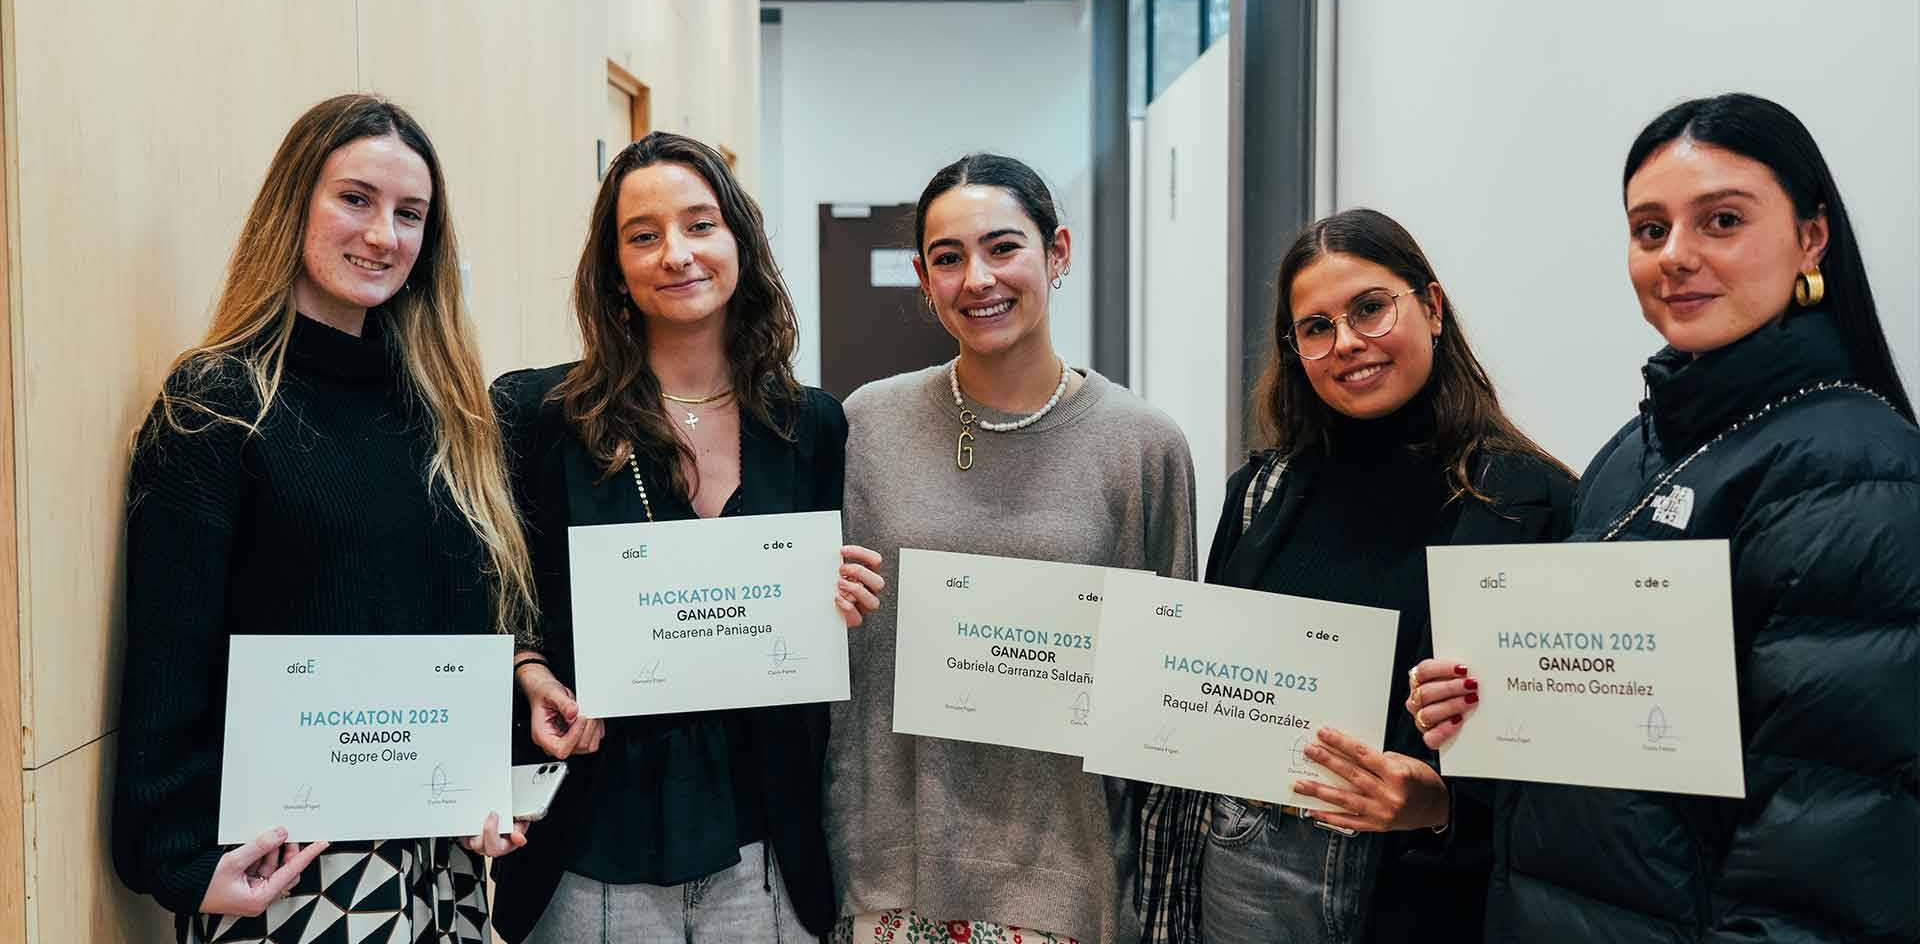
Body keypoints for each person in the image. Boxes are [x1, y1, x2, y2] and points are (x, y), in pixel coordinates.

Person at [1414, 92, 1920, 941]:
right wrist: (1491, 706)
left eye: (1722, 221)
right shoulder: (1637, 450)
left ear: (1811, 238)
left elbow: (1832, 864)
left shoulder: (1855, 473)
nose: (1676, 256)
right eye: (1650, 230)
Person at [112, 93, 534, 944]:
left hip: (439, 868)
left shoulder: (444, 411)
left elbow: (459, 630)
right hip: (292, 871)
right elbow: (168, 652)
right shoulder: (218, 404)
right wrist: (177, 858)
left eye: (409, 214)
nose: (383, 235)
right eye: (355, 199)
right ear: (293, 206)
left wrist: (487, 779)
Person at [488, 132, 886, 943]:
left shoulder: (810, 425)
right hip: (591, 848)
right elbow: (489, 589)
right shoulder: (540, 416)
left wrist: (839, 603)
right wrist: (528, 672)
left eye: (701, 225)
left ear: (740, 242)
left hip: (766, 853)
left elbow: (812, 641)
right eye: (643, 235)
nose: (677, 254)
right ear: (614, 269)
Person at [1136, 209, 1574, 944]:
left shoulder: (1529, 502)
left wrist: (1442, 806)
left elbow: (1570, 749)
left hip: (1428, 894)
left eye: (1370, 309)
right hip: (1253, 873)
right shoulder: (1261, 495)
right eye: (1316, 327)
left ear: (1432, 308)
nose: (1346, 343)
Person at [824, 153, 1198, 944]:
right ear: (924, 281)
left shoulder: (1142, 445)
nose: (978, 280)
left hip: (1068, 878)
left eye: (1002, 248)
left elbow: (1168, 693)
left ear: (1057, 252)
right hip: (891, 871)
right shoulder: (866, 427)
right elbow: (831, 647)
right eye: (948, 258)